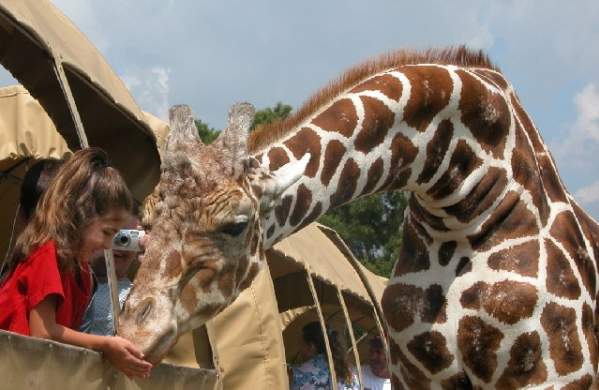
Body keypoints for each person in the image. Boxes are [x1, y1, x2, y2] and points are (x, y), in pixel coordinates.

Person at [0, 148, 152, 378]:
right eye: (107, 232)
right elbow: (43, 333)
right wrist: (105, 344)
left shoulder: (80, 272)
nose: (109, 245)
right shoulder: (46, 254)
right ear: (78, 216)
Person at [80, 215, 140, 336]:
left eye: (129, 239)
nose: (120, 245)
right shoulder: (67, 278)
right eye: (111, 234)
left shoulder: (136, 298)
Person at [290, 321, 358, 390]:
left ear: (311, 346)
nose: (299, 348)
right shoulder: (350, 373)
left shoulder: (299, 373)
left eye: (301, 344)